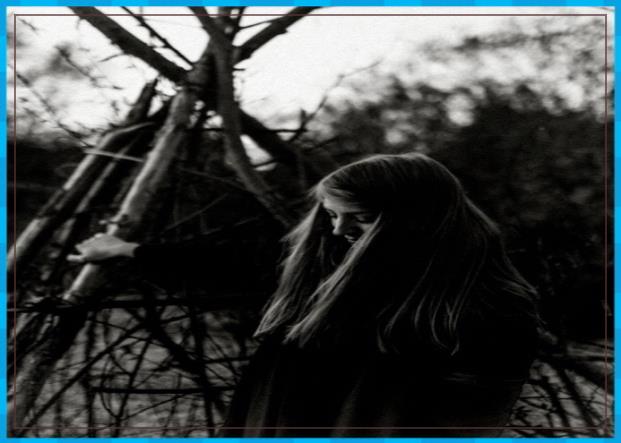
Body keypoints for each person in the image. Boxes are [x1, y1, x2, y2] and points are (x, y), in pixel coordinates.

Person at [70, 153, 539, 437]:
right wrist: (128, 250)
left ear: (415, 221)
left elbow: (474, 414)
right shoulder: (326, 264)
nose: (337, 230)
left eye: (361, 218)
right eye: (331, 214)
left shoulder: (483, 301)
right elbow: (231, 261)